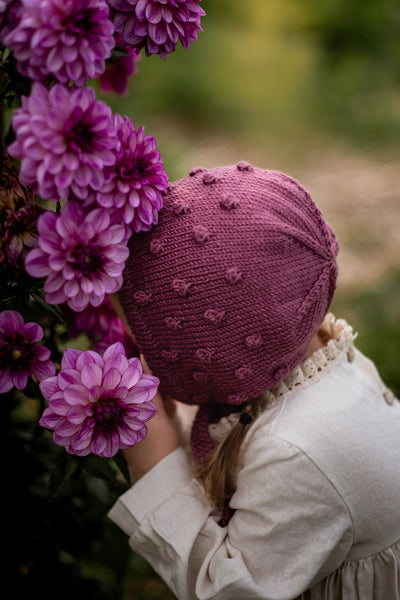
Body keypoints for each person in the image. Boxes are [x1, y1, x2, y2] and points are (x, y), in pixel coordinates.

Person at [108, 162, 400, 600]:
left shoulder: (295, 451)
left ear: (218, 346)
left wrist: (156, 459)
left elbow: (227, 589)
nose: (142, 352)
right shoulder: (322, 353)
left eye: (154, 338)